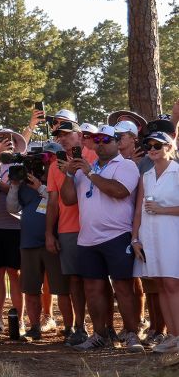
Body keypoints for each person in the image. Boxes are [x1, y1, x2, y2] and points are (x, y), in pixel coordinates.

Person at [61, 125, 143, 351]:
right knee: (92, 288)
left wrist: (89, 173)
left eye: (106, 139)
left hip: (117, 234)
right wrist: (69, 173)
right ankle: (100, 334)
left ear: (117, 142)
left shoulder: (126, 165)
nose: (101, 143)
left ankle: (131, 334)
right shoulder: (87, 168)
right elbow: (68, 200)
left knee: (123, 286)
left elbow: (119, 191)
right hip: (87, 238)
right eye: (97, 139)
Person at [7, 142, 67, 341]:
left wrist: (41, 187)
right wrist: (15, 186)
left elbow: (61, 202)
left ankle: (71, 327)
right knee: (31, 289)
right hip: (29, 243)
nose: (39, 164)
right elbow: (12, 208)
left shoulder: (58, 178)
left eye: (44, 159)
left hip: (54, 241)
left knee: (62, 288)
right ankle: (34, 328)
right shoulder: (23, 182)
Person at [132, 131, 179, 353]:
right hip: (149, 236)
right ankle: (172, 335)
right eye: (149, 145)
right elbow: (139, 211)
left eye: (157, 145)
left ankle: (178, 335)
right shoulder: (146, 176)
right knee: (160, 285)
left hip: (172, 235)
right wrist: (135, 238)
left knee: (171, 284)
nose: (152, 149)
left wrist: (163, 210)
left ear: (169, 147)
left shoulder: (178, 172)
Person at [47, 120, 90, 345]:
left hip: (95, 227)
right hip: (68, 228)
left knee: (98, 281)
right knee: (74, 279)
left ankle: (107, 329)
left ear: (79, 135)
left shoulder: (93, 156)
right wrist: (49, 234)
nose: (62, 139)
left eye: (67, 134)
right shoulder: (55, 165)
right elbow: (53, 203)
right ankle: (79, 327)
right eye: (59, 136)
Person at [0, 127, 26, 333]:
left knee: (15, 273)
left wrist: (0, 184)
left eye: (11, 140)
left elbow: (14, 190)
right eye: (1, 140)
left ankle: (18, 319)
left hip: (16, 226)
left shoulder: (22, 164)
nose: (7, 142)